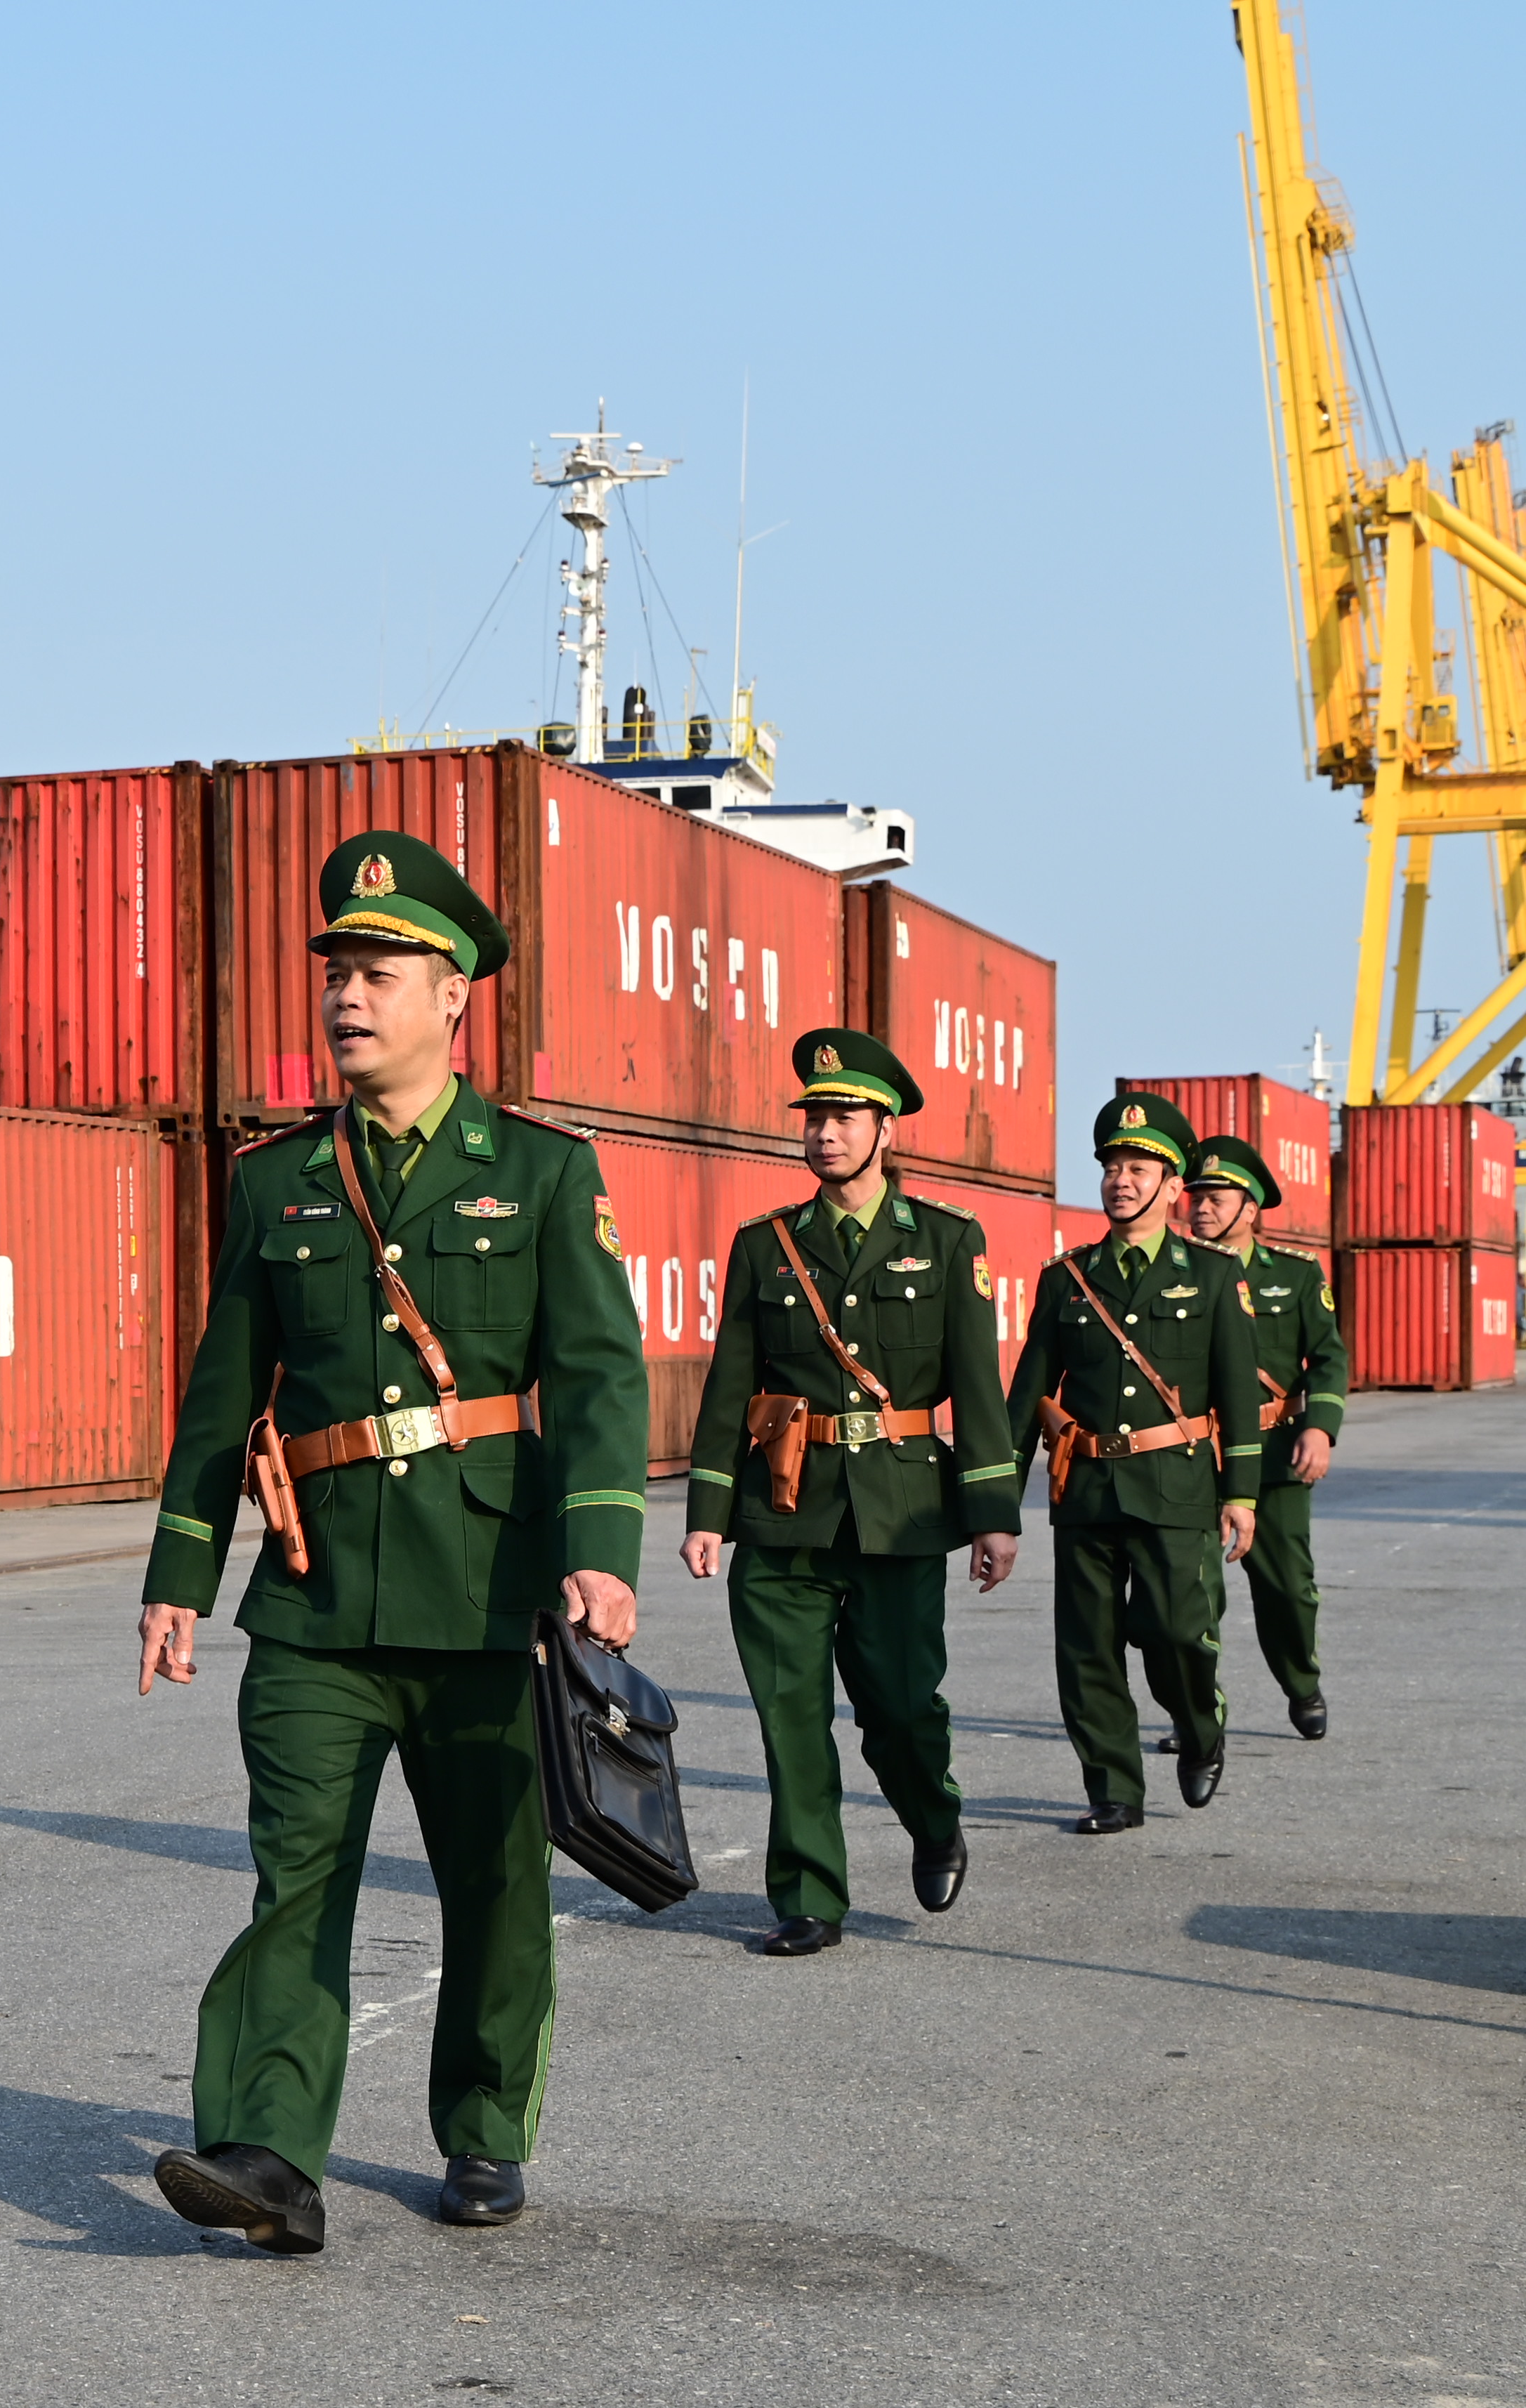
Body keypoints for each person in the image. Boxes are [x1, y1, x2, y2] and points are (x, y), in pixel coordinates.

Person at [135, 830, 650, 2252]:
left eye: (378, 971)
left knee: (495, 1878)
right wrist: (180, 1574)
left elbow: (604, 1374)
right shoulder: (275, 1182)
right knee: (295, 1874)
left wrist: (602, 1547)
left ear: (453, 992)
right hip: (311, 1601)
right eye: (337, 972)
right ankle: (266, 2151)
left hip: (492, 1594)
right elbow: (219, 1393)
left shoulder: (542, 1173)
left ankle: (483, 2122)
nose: (347, 996)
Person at [678, 1032, 1022, 1954]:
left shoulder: (947, 1242)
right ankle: (807, 1898)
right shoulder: (767, 1247)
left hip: (901, 1517)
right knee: (790, 1717)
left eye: (843, 1117)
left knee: (903, 1712)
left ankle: (933, 1814)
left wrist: (992, 1514)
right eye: (815, 1118)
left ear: (885, 1128)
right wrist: (709, 1512)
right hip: (784, 1515)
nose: (825, 1133)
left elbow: (978, 1389)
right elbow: (729, 1387)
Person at [1005, 1094, 1258, 1834]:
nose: (1121, 1179)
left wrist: (1240, 1492)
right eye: (1113, 1165)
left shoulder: (1211, 1276)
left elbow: (1239, 1398)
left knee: (1178, 1629)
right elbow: (1026, 1399)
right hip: (1085, 1487)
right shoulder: (1068, 1279)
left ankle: (1200, 1724)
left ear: (1172, 1186)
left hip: (1176, 1484)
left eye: (1138, 1166)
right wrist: (994, 1509)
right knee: (1087, 1644)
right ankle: (1114, 1788)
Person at [1180, 1133, 1345, 1739]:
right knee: (1190, 1595)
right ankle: (1198, 1711)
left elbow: (1328, 1357)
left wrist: (1321, 1428)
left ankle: (1302, 1683)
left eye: (1218, 1197)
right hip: (1196, 1456)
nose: (1202, 1207)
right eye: (1196, 1195)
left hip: (1275, 1457)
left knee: (1287, 1589)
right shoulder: (1170, 1275)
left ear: (1251, 1209)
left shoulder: (1296, 1277)